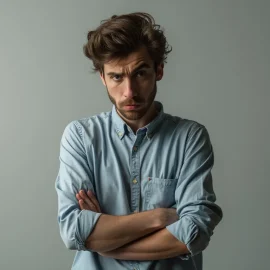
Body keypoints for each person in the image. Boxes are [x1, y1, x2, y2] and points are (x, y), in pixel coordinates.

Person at [55, 12, 223, 270]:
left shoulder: (190, 138)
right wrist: (161, 217)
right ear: (102, 77)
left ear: (159, 70)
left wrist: (103, 240)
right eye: (116, 77)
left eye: (140, 73)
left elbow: (194, 230)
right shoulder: (80, 137)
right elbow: (74, 231)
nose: (129, 92)